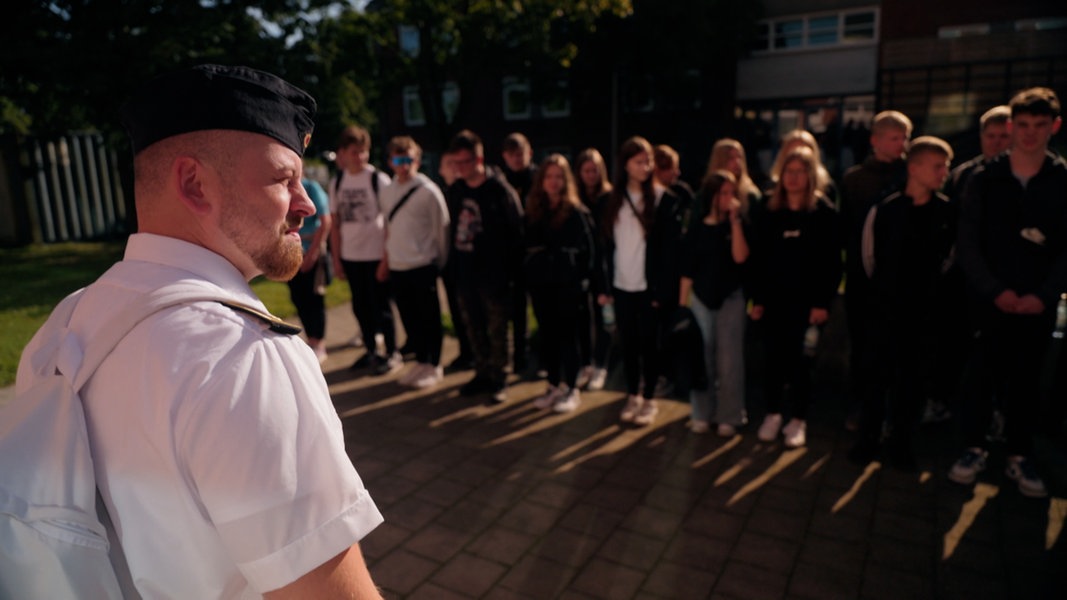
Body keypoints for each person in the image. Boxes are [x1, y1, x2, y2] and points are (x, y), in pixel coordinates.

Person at [15, 64, 383, 597]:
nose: (306, 203)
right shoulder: (242, 354)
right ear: (193, 183)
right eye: (284, 179)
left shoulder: (69, 319)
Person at [949, 87, 1067, 498]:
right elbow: (968, 242)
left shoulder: (1062, 180)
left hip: (1037, 304)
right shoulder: (986, 179)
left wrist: (1044, 294)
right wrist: (994, 290)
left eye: (1039, 125)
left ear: (1054, 126)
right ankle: (972, 448)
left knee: (1027, 383)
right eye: (1022, 125)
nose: (1029, 134)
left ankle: (1020, 453)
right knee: (979, 377)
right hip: (988, 303)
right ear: (1010, 126)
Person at [850, 136, 956, 470]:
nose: (944, 172)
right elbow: (868, 259)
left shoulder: (946, 213)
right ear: (915, 167)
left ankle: (901, 445)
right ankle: (867, 441)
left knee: (912, 384)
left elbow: (949, 261)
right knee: (876, 379)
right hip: (884, 312)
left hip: (924, 316)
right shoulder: (885, 209)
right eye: (938, 165)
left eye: (946, 166)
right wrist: (882, 296)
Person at [750, 147, 842, 448]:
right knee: (773, 361)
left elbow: (832, 263)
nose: (793, 177)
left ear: (811, 175)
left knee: (802, 363)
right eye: (788, 171)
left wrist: (821, 303)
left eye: (800, 171)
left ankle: (798, 419)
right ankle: (773, 414)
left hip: (807, 305)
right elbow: (759, 259)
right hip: (774, 302)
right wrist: (759, 299)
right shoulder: (769, 210)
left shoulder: (824, 212)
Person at [598, 136, 684, 426]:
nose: (646, 166)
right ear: (625, 164)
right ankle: (632, 394)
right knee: (628, 344)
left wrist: (663, 290)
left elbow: (670, 252)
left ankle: (649, 398)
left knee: (650, 344)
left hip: (649, 287)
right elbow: (606, 246)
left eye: (648, 160)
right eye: (639, 161)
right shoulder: (612, 200)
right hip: (622, 284)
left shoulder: (663, 199)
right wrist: (605, 286)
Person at [839, 110, 911, 430]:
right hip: (861, 279)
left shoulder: (911, 175)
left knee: (896, 348)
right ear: (876, 140)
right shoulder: (855, 179)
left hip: (899, 280)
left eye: (904, 137)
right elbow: (846, 229)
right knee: (862, 345)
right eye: (894, 138)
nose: (901, 144)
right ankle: (860, 405)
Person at [446, 129, 525, 403]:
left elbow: (517, 234)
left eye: (465, 162)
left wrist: (510, 275)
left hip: (495, 276)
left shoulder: (500, 190)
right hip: (465, 273)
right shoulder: (456, 190)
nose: (460, 168)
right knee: (473, 327)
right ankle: (482, 373)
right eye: (456, 162)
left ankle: (500, 377)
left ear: (479, 159)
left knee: (498, 329)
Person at [678, 169, 750, 437]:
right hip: (700, 299)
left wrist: (735, 223)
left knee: (729, 361)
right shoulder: (697, 228)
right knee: (701, 357)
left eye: (733, 193)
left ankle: (730, 415)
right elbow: (687, 268)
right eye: (724, 193)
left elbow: (741, 257)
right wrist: (682, 307)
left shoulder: (738, 224)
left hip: (730, 297)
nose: (729, 198)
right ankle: (701, 412)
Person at [524, 154, 598, 413]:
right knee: (548, 337)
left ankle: (571, 388)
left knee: (568, 337)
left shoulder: (577, 213)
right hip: (542, 286)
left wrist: (580, 281)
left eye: (559, 177)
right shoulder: (534, 210)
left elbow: (589, 254)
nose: (554, 182)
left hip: (567, 287)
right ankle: (553, 384)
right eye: (549, 176)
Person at [329, 125, 401, 375]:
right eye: (354, 152)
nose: (359, 157)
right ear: (343, 153)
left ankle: (393, 353)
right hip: (351, 256)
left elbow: (391, 221)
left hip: (376, 256)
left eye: (364, 152)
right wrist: (337, 260)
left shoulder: (377, 179)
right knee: (360, 307)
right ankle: (372, 351)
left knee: (381, 308)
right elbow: (335, 226)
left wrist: (386, 258)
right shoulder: (337, 181)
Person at [381, 136, 450, 389]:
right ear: (391, 162)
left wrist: (438, 262)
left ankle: (434, 365)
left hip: (423, 265)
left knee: (429, 319)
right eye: (399, 159)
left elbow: (442, 229)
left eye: (409, 159)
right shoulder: (387, 192)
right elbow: (388, 227)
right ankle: (421, 361)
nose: (404, 165)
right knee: (410, 319)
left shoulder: (429, 191)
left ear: (417, 161)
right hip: (398, 266)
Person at [574, 147, 614, 391]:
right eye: (587, 170)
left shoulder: (609, 198)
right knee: (582, 317)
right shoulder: (576, 199)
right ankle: (585, 363)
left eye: (595, 170)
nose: (591, 175)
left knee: (606, 319)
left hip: (607, 267)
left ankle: (602, 365)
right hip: (583, 267)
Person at [501, 132, 537, 374]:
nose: (516, 159)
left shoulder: (538, 178)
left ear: (529, 154)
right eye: (512, 155)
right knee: (516, 309)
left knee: (541, 307)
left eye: (520, 154)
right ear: (505, 157)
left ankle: (539, 354)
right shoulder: (501, 182)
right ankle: (520, 357)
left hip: (534, 253)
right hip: (510, 255)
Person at [286, 174, 332, 364]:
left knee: (314, 298)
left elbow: (325, 221)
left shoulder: (311, 187)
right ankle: (311, 339)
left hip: (310, 248)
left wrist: (312, 253)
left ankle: (319, 342)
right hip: (292, 250)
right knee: (298, 296)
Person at [944, 105, 1012, 204]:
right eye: (990, 136)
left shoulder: (1024, 173)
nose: (996, 142)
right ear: (982, 136)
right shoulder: (961, 175)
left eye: (1004, 136)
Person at [768, 129, 838, 204]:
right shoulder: (771, 190)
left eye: (804, 154)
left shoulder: (827, 190)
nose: (798, 158)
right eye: (793, 153)